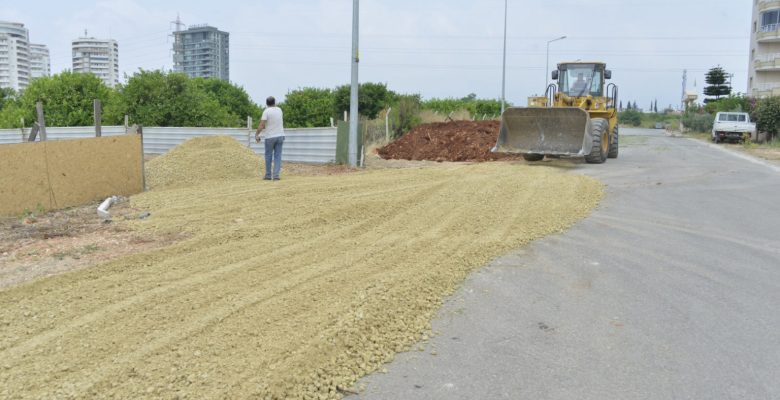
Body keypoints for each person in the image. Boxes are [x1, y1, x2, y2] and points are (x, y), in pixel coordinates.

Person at [256, 96, 285, 180]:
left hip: (270, 137)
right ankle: (276, 176)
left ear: (266, 103)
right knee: (278, 156)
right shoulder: (280, 110)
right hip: (280, 136)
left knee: (268, 155)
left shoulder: (266, 111)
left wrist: (257, 134)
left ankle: (268, 175)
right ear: (274, 102)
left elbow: (262, 125)